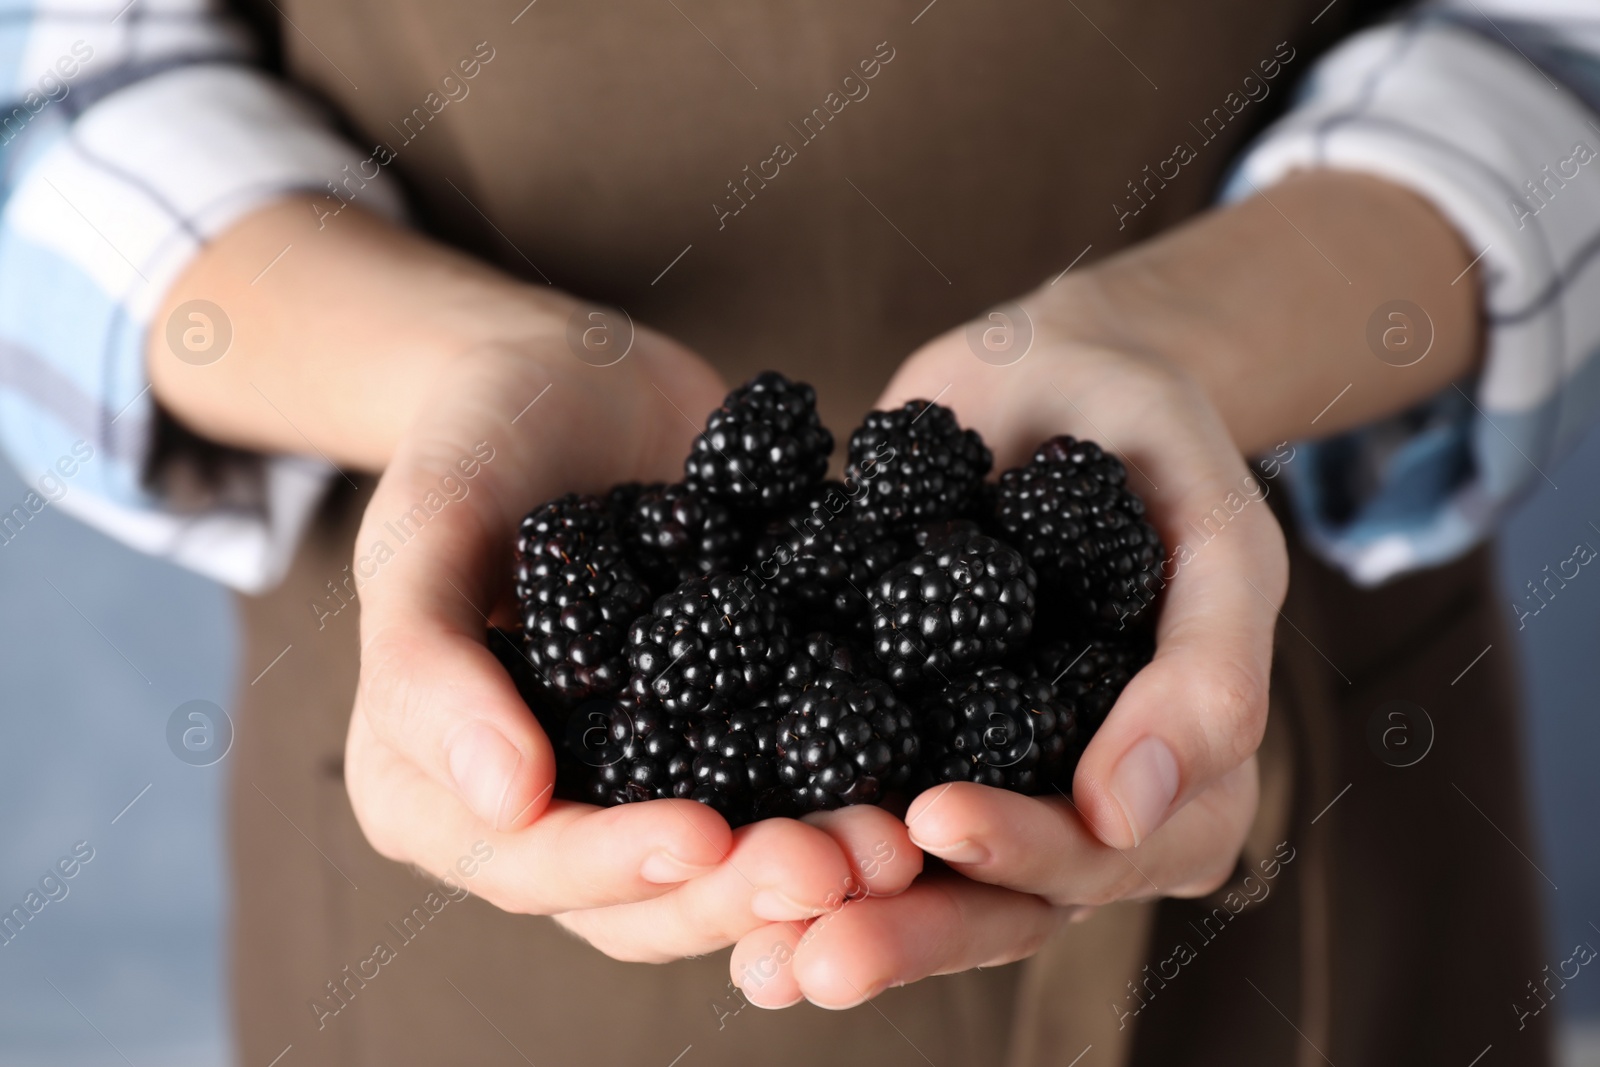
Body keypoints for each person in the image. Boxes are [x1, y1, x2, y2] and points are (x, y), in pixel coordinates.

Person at [2, 0, 1594, 1063]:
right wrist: (460, 382)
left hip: (1273, 745)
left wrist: (1179, 349)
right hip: (467, 915)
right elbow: (59, 96)